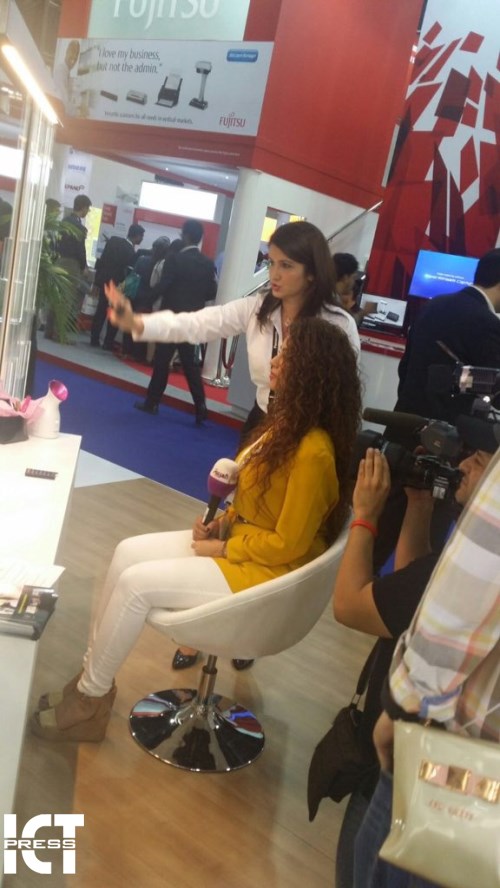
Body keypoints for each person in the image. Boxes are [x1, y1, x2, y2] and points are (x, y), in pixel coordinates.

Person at [31, 318, 362, 743]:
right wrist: (220, 523)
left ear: (311, 373)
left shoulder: (313, 450)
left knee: (136, 584)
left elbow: (288, 544)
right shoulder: (284, 428)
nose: (275, 361)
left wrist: (223, 549)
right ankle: (91, 680)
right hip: (243, 546)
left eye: (287, 356)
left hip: (266, 574)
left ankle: (90, 699)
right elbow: (258, 507)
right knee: (127, 551)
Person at [331, 415, 499, 888]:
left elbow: (348, 606)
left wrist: (364, 514)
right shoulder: (440, 568)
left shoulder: (479, 563)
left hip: (429, 753)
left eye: (479, 460)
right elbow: (412, 590)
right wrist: (419, 505)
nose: (462, 466)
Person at [106, 221, 361, 439]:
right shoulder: (257, 308)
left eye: (286, 265)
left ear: (312, 272)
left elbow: (342, 392)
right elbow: (200, 323)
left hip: (311, 432)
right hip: (262, 419)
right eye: (272, 263)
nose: (274, 274)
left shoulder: (338, 324)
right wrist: (138, 323)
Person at [374, 247, 500, 571]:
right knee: (428, 528)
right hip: (446, 443)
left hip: (403, 423)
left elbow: (406, 368)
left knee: (383, 514)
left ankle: (361, 579)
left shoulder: (435, 305)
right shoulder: (488, 324)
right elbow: (491, 394)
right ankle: (405, 592)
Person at [133, 219, 217, 425]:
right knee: (190, 365)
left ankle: (152, 403)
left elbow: (163, 286)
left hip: (171, 319)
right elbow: (211, 292)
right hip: (192, 320)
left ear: (185, 235)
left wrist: (144, 303)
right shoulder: (208, 264)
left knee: (162, 361)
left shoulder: (175, 259)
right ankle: (201, 407)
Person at [91, 223, 145, 350]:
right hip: (118, 287)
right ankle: (108, 343)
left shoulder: (113, 241)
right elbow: (128, 273)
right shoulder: (132, 252)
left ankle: (94, 339)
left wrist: (97, 282)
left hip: (105, 282)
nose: (142, 239)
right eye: (141, 236)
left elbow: (102, 261)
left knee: (100, 311)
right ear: (136, 236)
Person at [45, 194, 91, 341]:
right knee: (66, 299)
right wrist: (84, 267)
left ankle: (49, 330)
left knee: (56, 296)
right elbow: (80, 250)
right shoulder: (79, 227)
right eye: (88, 208)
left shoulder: (63, 222)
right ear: (83, 207)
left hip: (59, 261)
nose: (88, 211)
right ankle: (59, 334)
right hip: (72, 265)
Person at [121, 236, 171, 362]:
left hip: (135, 294)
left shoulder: (142, 259)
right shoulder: (163, 265)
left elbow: (133, 275)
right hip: (150, 299)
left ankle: (126, 350)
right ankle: (139, 354)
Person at [53, 40, 80, 112]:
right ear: (67, 51)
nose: (74, 56)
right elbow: (64, 102)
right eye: (73, 51)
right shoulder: (60, 71)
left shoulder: (67, 73)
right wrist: (78, 111)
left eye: (77, 54)